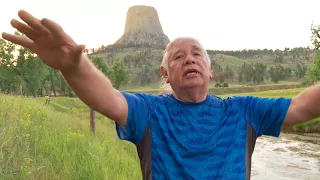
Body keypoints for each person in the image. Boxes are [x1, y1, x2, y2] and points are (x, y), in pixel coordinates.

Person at [2, 10, 320, 180]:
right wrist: (73, 66)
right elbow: (108, 98)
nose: (189, 59)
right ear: (165, 74)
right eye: (178, 56)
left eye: (197, 54)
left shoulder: (244, 111)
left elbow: (303, 107)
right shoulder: (150, 111)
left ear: (211, 71)